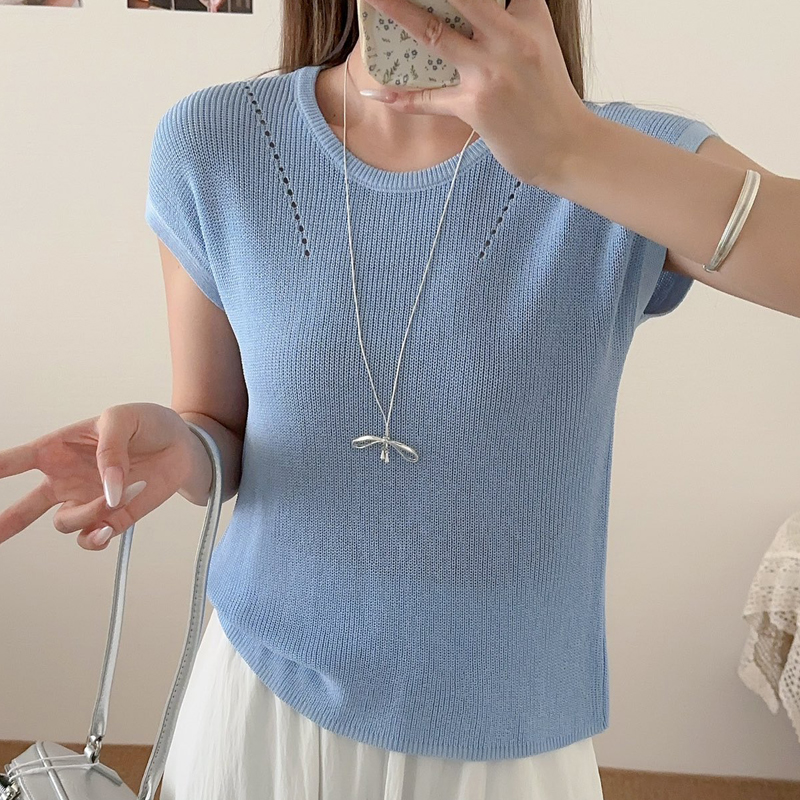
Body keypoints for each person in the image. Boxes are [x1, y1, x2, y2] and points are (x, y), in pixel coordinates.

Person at [1, 0, 784, 798]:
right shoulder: (219, 142)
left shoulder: (623, 154)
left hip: (505, 733)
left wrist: (570, 150)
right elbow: (219, 424)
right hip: (263, 703)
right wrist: (183, 445)